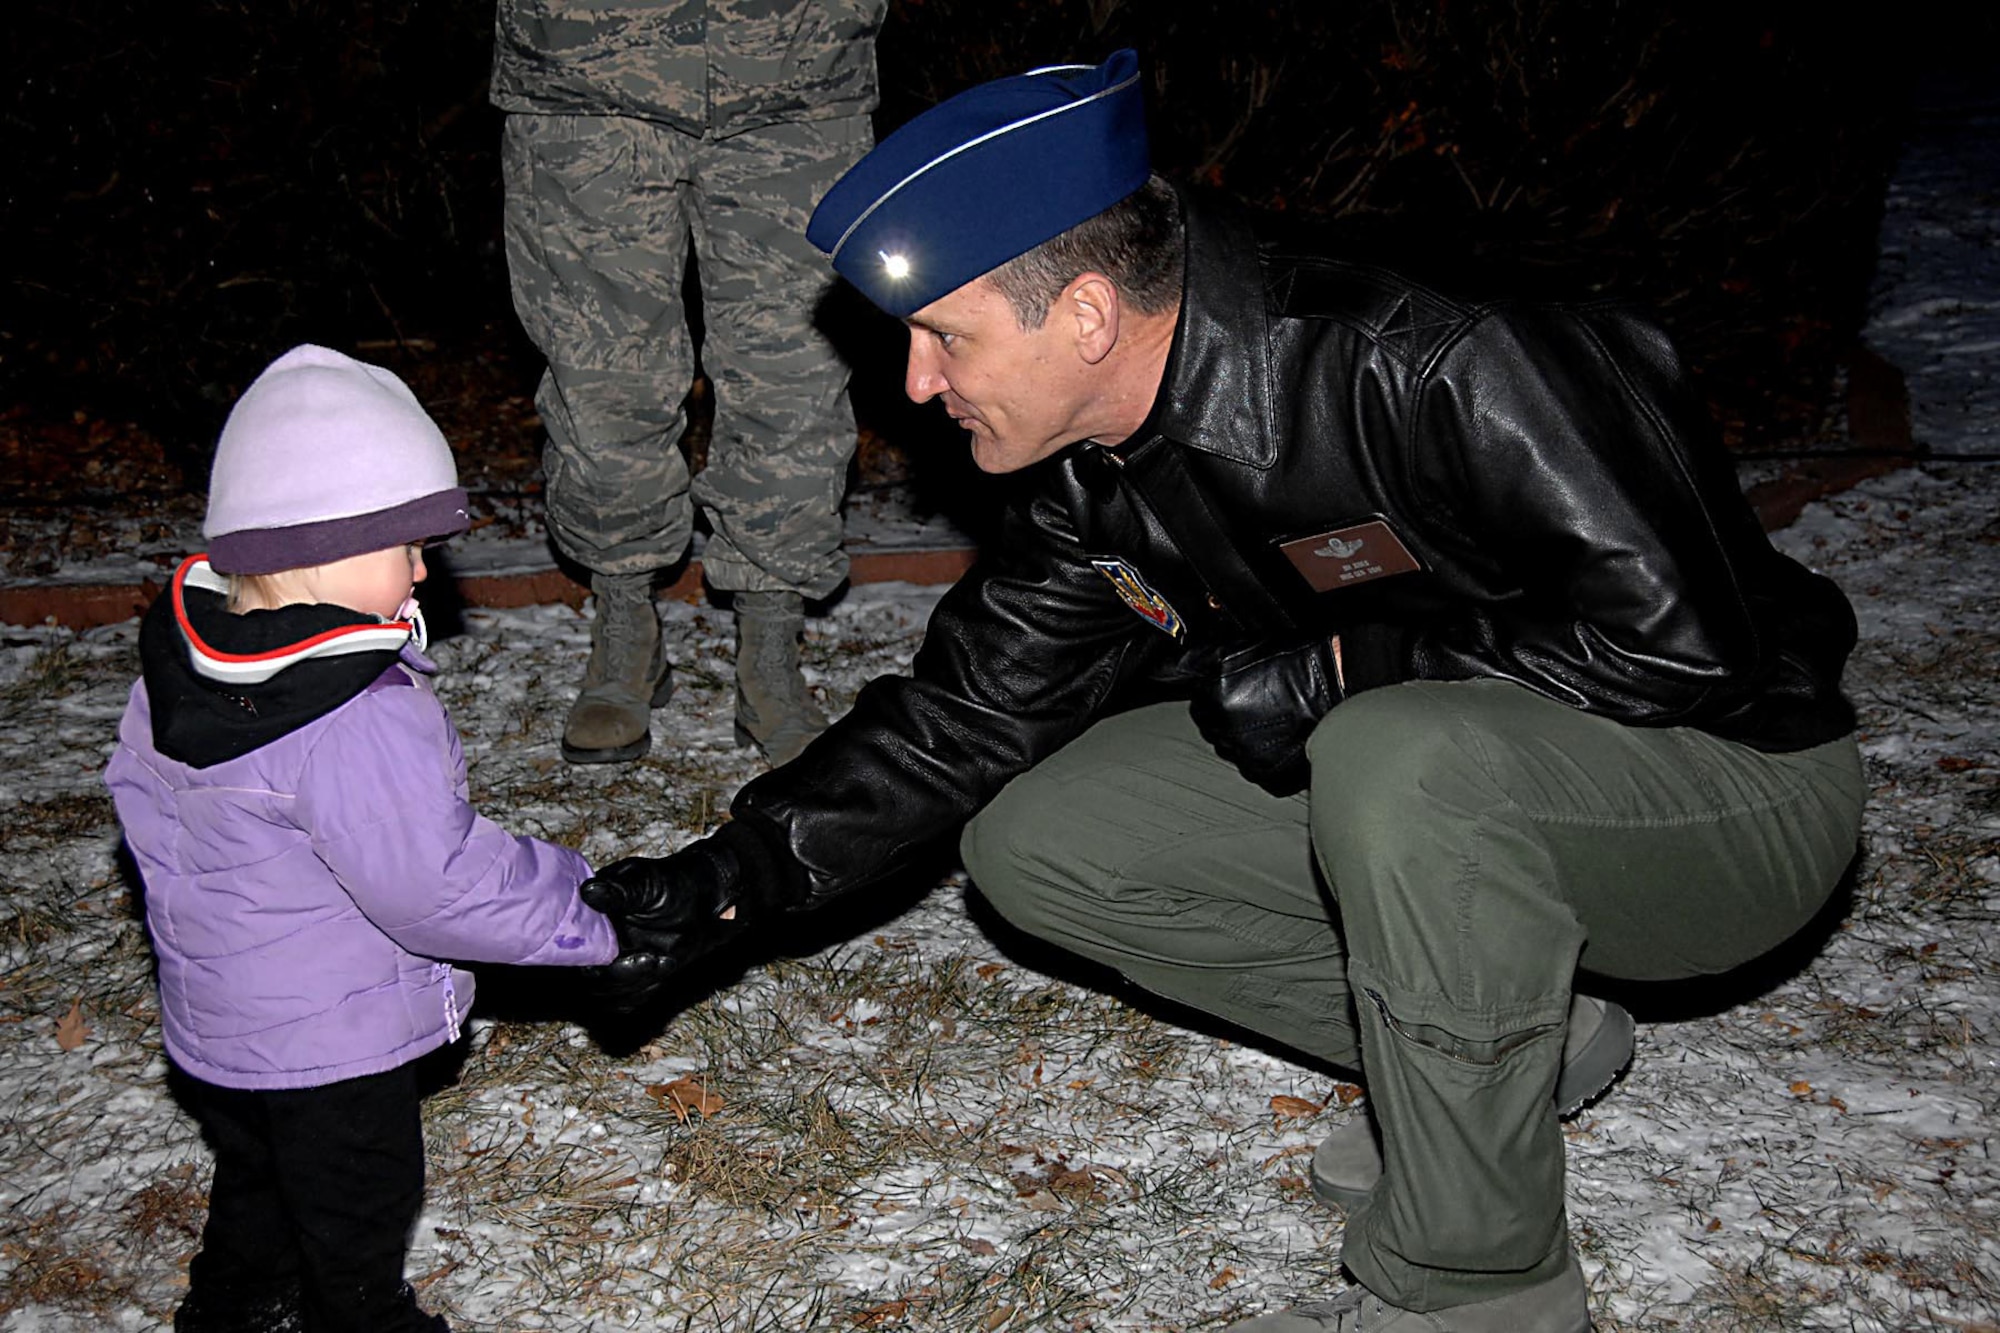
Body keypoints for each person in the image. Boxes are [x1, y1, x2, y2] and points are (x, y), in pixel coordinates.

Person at [580, 51, 1866, 1333]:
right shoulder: (1091, 474)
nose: (916, 384)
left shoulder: (1440, 351)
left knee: (1391, 750)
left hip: (1728, 791)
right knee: (1040, 840)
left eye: (943, 336)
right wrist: (733, 877)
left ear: (1084, 315)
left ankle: (1479, 1291)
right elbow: (968, 715)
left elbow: (1687, 645)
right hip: (1451, 795)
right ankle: (1517, 1044)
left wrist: (1344, 669)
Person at [104, 345, 621, 1333]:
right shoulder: (355, 711)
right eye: (407, 545)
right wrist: (585, 911)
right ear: (314, 551)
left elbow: (146, 807)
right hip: (336, 1045)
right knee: (356, 1211)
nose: (425, 568)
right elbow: (436, 884)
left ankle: (233, 1309)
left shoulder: (177, 669)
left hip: (224, 1027)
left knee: (258, 1178)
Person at [491, 0, 886, 766]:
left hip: (798, 67)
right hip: (587, 65)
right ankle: (624, 628)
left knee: (796, 377)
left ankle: (769, 650)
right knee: (599, 378)